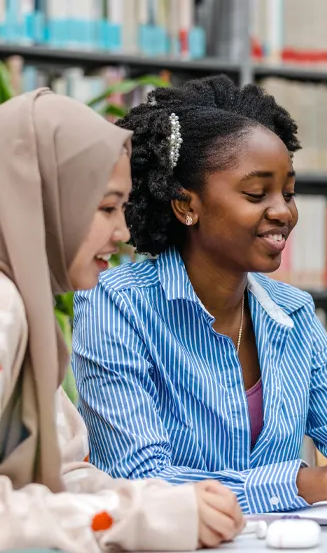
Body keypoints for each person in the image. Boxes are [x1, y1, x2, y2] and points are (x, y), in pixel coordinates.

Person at [71, 75, 327, 515]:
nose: (283, 212)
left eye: (289, 193)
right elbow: (140, 479)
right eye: (256, 194)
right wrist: (319, 480)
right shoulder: (115, 304)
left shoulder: (293, 312)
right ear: (185, 205)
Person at [0, 88, 244, 552]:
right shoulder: (4, 307)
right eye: (106, 207)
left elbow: (66, 474)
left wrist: (163, 502)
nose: (123, 232)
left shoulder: (29, 311)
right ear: (45, 200)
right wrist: (138, 517)